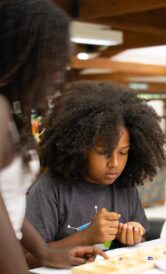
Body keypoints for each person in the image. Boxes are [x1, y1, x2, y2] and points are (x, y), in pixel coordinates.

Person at [0, 0, 108, 273]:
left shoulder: (12, 111)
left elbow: (9, 204)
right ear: (25, 54)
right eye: (54, 63)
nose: (59, 77)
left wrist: (46, 252)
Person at [26, 80, 166, 266]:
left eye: (123, 152)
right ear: (80, 147)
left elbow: (140, 243)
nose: (114, 163)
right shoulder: (50, 189)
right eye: (103, 152)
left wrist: (133, 237)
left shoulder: (124, 185)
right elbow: (24, 260)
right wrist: (85, 237)